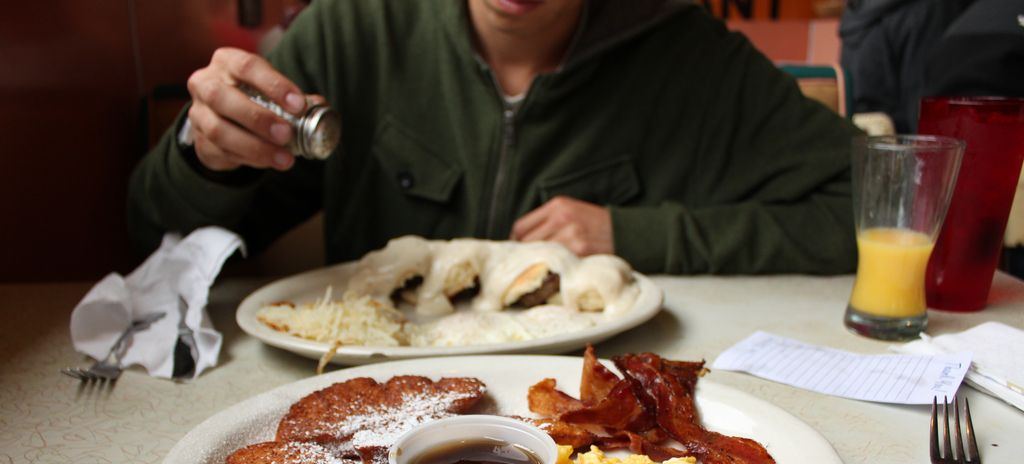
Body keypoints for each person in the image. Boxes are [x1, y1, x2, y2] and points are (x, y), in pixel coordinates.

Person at [127, 0, 860, 276]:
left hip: (602, 434)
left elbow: (875, 209)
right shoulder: (352, 29)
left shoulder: (694, 58)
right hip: (368, 416)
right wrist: (207, 158)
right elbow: (155, 243)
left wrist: (641, 236)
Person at [839, 0, 974, 134]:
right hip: (901, 141)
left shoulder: (856, 13)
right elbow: (925, 119)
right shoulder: (927, 8)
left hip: (855, 139)